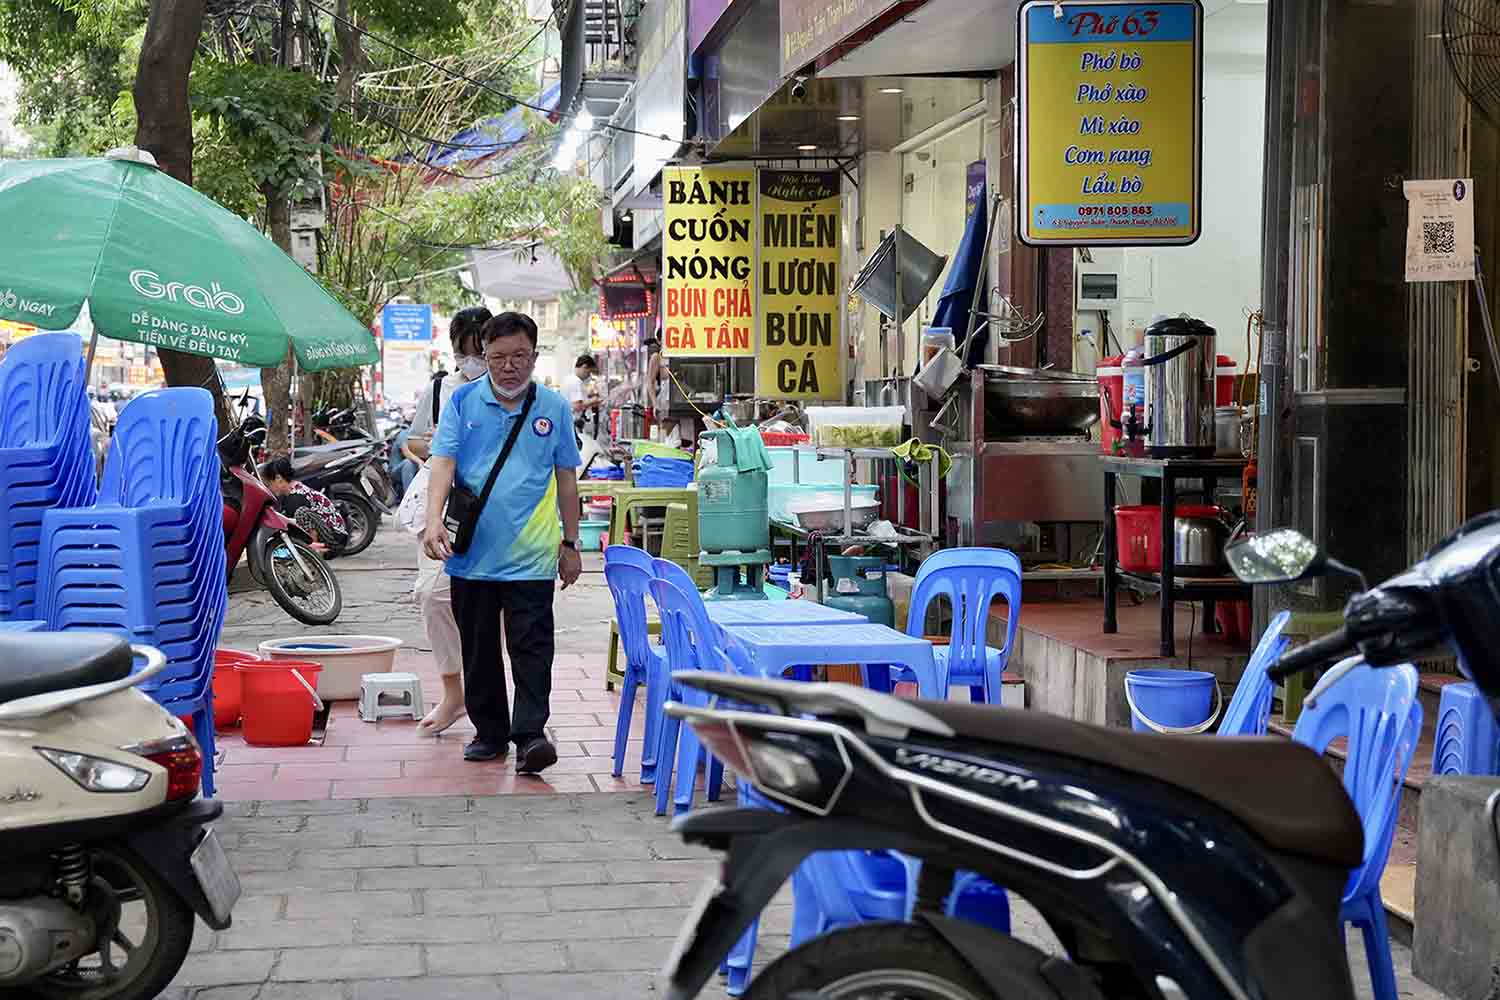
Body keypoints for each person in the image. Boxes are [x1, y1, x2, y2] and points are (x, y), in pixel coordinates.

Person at [422, 312, 582, 772]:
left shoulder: (553, 406)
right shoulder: (462, 402)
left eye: (519, 357)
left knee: (532, 647)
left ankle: (530, 735)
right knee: (478, 648)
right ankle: (489, 732)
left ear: (534, 355)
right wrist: (433, 521)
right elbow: (443, 464)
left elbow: (567, 479)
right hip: (470, 552)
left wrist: (571, 544)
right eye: (497, 358)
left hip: (532, 555)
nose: (509, 367)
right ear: (483, 356)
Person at [406, 310, 489, 736]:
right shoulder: (441, 388)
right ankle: (453, 692)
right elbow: (412, 440)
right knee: (432, 594)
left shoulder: (507, 391)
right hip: (441, 506)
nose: (471, 362)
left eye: (480, 353)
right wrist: (437, 442)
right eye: (464, 353)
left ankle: (495, 703)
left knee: (487, 606)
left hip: (491, 510)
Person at [261, 457, 350, 554]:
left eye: (269, 484)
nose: (269, 488)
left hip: (335, 539)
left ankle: (313, 551)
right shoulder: (293, 491)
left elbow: (303, 524)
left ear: (278, 478)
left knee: (302, 513)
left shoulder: (296, 497)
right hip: (329, 533)